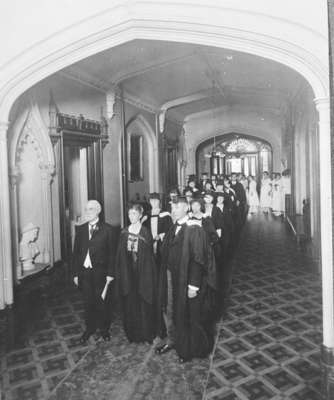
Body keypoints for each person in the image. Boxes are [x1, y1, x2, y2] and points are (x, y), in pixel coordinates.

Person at [155, 196, 216, 362]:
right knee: (169, 308)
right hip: (170, 276)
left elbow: (198, 259)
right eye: (172, 208)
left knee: (185, 314)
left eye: (176, 208)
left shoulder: (194, 228)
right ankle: (172, 339)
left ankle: (187, 349)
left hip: (185, 279)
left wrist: (194, 286)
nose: (172, 211)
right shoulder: (174, 226)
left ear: (186, 208)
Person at [72, 200, 118, 343]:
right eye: (86, 209)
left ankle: (104, 329)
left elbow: (112, 254)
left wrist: (110, 273)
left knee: (102, 302)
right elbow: (76, 253)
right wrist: (75, 274)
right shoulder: (80, 229)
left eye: (91, 209)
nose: (87, 212)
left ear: (98, 211)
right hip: (85, 273)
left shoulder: (108, 230)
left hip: (101, 273)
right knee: (88, 302)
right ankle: (89, 328)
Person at [116, 203, 157, 343]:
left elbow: (150, 255)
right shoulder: (124, 232)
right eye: (129, 214)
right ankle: (133, 334)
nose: (131, 216)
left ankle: (147, 333)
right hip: (129, 272)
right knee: (130, 303)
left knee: (144, 302)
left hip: (143, 272)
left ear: (140, 215)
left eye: (134, 214)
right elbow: (120, 255)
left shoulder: (145, 232)